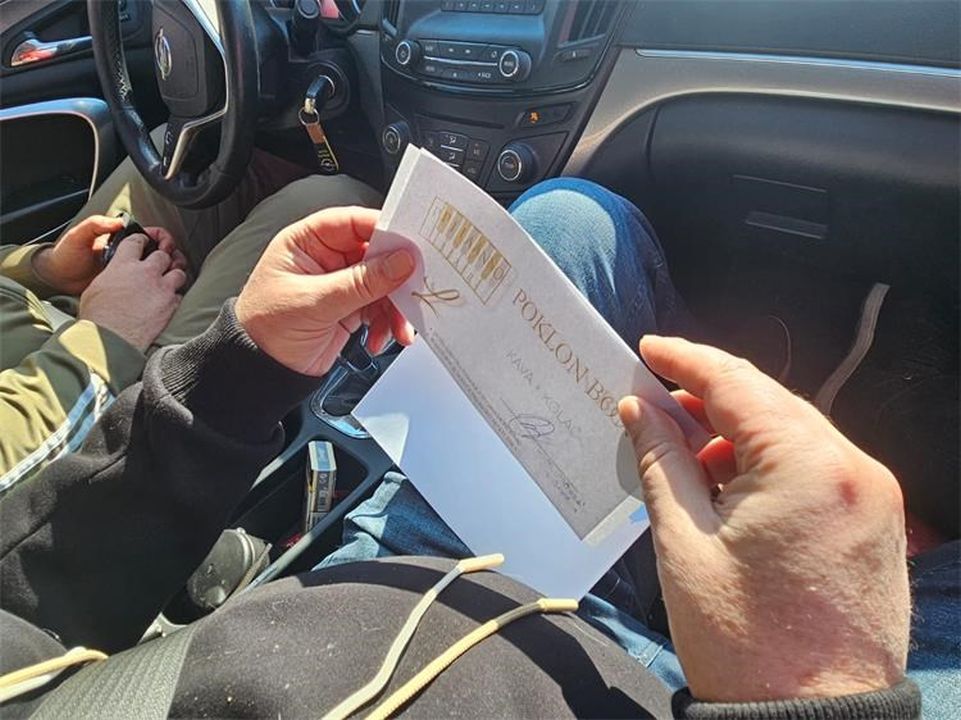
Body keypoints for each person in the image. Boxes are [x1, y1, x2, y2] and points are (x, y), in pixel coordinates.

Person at [0, 184, 928, 718]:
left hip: (390, 583)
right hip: (638, 692)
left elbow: (26, 603)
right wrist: (816, 688)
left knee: (569, 221)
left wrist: (234, 377)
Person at [0, 126, 380, 487]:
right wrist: (109, 333)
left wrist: (42, 269)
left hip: (46, 320)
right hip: (89, 415)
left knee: (181, 153)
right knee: (333, 206)